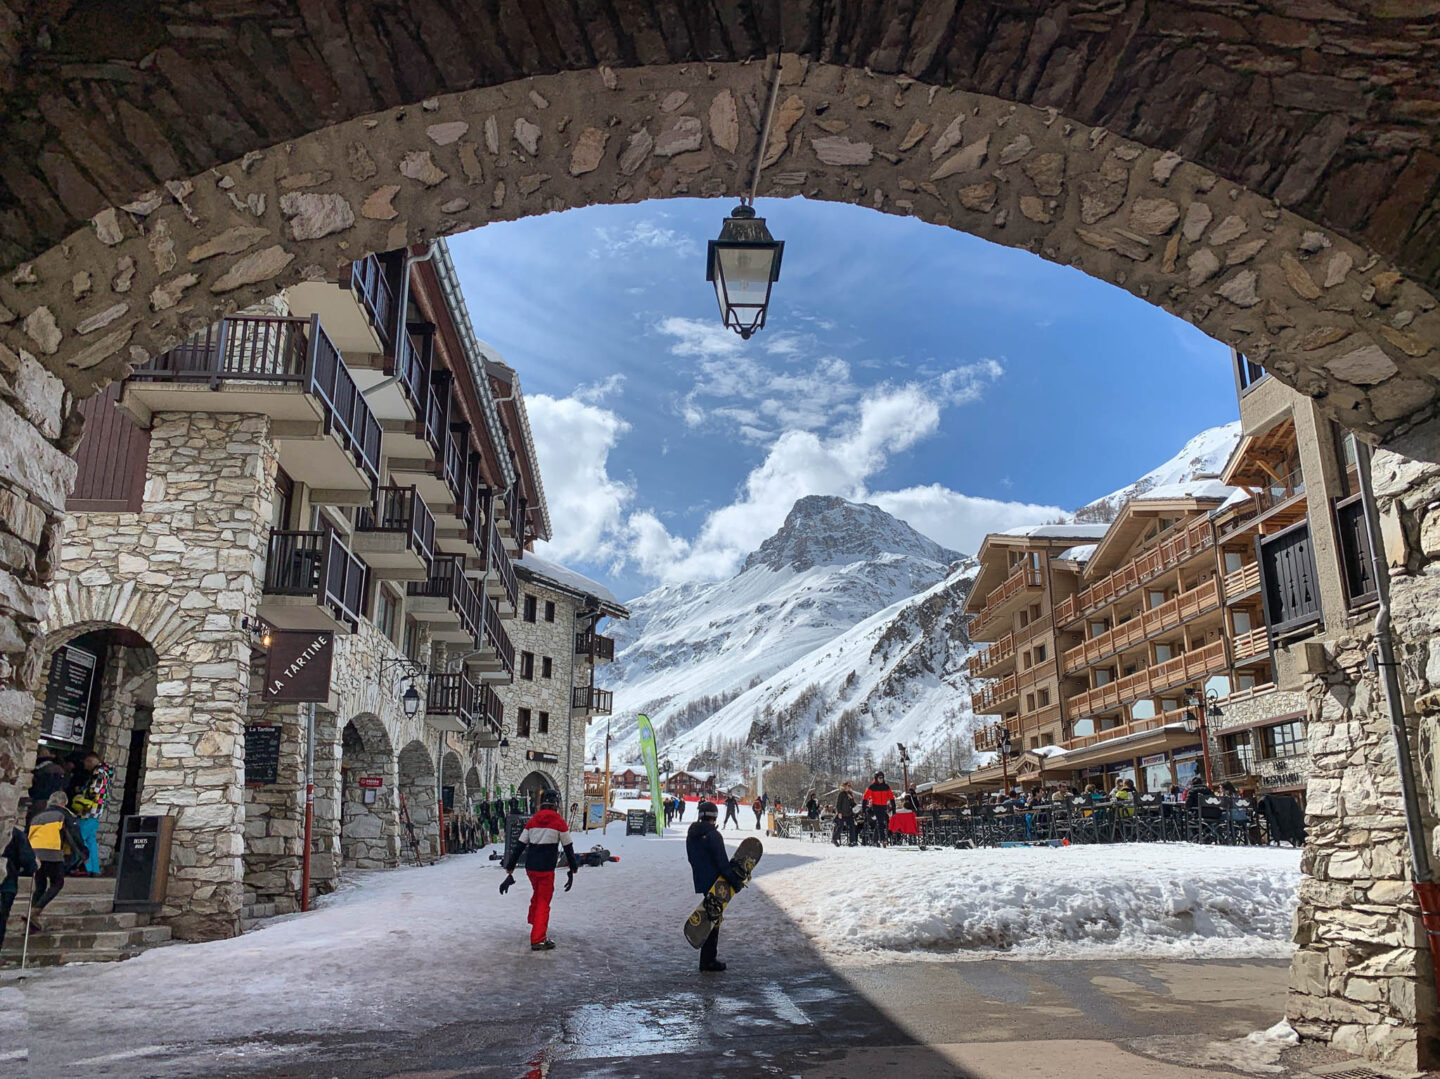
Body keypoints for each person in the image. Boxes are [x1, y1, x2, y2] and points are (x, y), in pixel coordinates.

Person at [499, 789, 579, 951]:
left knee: (537, 894)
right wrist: (573, 868)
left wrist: (510, 867)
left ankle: (535, 922)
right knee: (544, 901)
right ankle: (538, 938)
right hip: (546, 868)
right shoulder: (559, 822)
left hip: (531, 868)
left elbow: (520, 846)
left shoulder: (533, 821)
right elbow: (568, 848)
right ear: (556, 804)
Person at [686, 800, 744, 973]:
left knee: (711, 917)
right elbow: (722, 863)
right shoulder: (713, 835)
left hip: (702, 880)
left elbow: (693, 859)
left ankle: (708, 958)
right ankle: (708, 960)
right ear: (714, 816)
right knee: (713, 920)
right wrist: (735, 881)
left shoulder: (692, 835)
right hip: (717, 881)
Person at [26, 791, 86, 930]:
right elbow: (73, 834)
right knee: (57, 883)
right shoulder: (63, 814)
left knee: (40, 886)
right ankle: (35, 911)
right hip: (52, 852)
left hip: (35, 853)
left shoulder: (38, 815)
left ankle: (31, 918)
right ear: (63, 803)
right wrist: (83, 852)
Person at [69, 751, 113, 876]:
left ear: (90, 760)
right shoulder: (106, 772)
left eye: (85, 763)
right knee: (90, 840)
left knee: (79, 839)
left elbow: (95, 790)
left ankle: (80, 867)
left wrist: (81, 791)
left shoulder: (98, 773)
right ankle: (94, 869)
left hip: (88, 810)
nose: (84, 766)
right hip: (96, 811)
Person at [1, 799, 37, 952]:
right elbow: (26, 858)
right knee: (1, 918)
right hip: (7, 883)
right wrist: (32, 867)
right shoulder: (17, 835)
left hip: (8, 882)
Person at [863, 771, 896, 846]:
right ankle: (882, 839)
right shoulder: (872, 787)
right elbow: (865, 798)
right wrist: (864, 809)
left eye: (882, 778)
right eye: (879, 778)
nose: (881, 779)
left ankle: (875, 840)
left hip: (883, 807)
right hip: (875, 807)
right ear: (876, 778)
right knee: (880, 822)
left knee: (879, 822)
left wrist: (894, 810)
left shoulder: (886, 787)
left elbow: (891, 798)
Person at [833, 781, 858, 847]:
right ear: (845, 786)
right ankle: (834, 839)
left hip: (849, 813)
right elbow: (838, 804)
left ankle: (853, 841)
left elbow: (852, 804)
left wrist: (855, 805)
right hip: (842, 813)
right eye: (848, 785)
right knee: (840, 826)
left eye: (850, 786)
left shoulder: (850, 794)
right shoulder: (841, 794)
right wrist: (839, 812)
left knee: (852, 826)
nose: (849, 787)